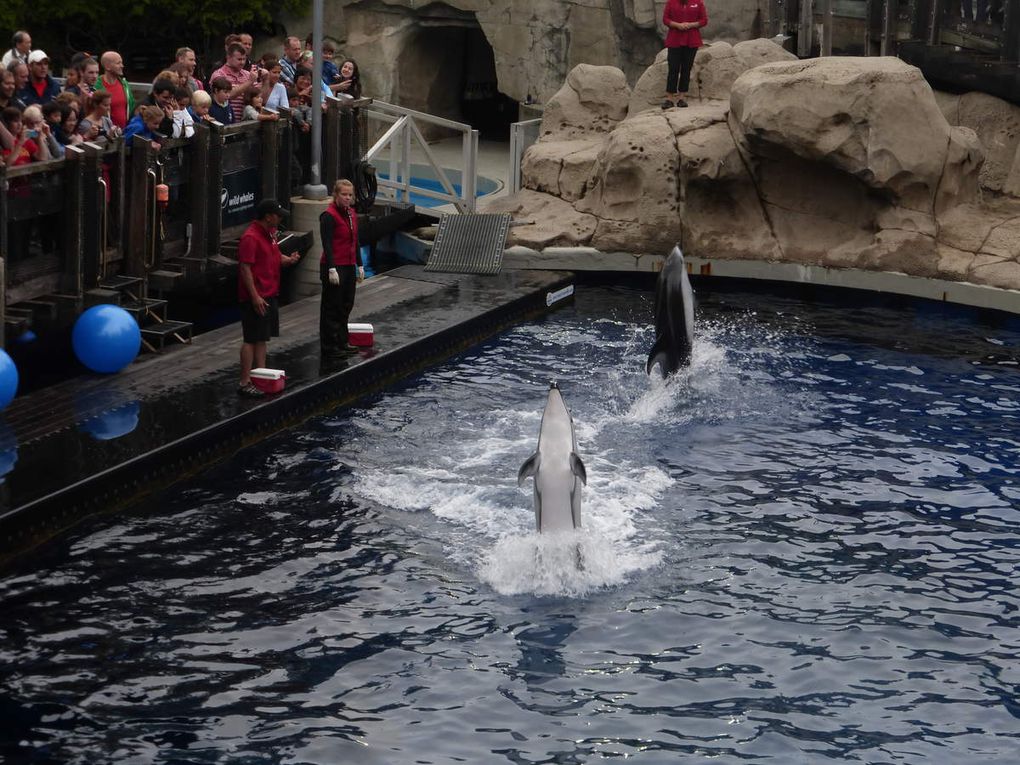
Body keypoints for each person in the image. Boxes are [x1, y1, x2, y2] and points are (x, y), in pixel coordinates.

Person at [237, 199, 300, 397]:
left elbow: (275, 254)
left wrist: (288, 260)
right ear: (268, 217)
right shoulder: (250, 237)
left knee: (262, 337)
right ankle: (245, 381)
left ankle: (261, 374)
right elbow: (245, 268)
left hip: (270, 292)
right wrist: (254, 296)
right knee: (250, 338)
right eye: (277, 214)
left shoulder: (270, 234)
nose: (280, 218)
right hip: (256, 296)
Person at [319, 179, 365, 359]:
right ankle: (329, 346)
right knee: (332, 306)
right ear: (336, 195)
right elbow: (327, 244)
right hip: (334, 265)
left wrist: (359, 264)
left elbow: (356, 240)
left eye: (350, 195)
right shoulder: (328, 216)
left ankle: (342, 341)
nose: (347, 198)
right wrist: (331, 268)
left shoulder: (352, 214)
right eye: (343, 194)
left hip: (348, 265)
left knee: (346, 304)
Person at [662, 0, 708, 109]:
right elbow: (665, 19)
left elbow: (704, 20)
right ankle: (669, 98)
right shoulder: (671, 2)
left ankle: (682, 98)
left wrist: (691, 24)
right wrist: (677, 25)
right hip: (674, 40)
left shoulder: (698, 2)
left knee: (686, 69)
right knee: (673, 68)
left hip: (691, 40)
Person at [210, 43, 260, 122]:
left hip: (245, 124)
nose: (242, 62)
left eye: (244, 59)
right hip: (224, 122)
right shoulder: (219, 74)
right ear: (228, 57)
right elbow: (229, 95)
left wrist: (266, 80)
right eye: (239, 59)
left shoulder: (248, 74)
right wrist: (250, 81)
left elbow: (258, 97)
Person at [96, 51, 134, 129]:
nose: (122, 66)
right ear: (107, 67)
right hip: (106, 134)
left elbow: (132, 106)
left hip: (124, 132)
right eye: (118, 63)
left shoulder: (125, 84)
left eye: (122, 63)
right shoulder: (96, 87)